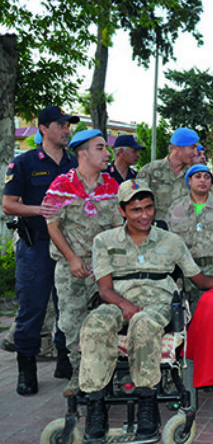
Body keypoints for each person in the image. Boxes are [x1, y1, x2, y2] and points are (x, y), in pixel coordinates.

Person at [79, 179, 213, 443]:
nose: (145, 215)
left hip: (158, 303)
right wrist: (124, 304)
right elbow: (104, 289)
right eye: (136, 209)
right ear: (122, 211)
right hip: (117, 301)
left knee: (144, 324)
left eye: (149, 208)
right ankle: (95, 407)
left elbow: (200, 280)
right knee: (94, 324)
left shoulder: (171, 241)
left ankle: (147, 403)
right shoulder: (105, 241)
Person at [3, 105, 79, 395]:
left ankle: (64, 361)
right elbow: (9, 204)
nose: (66, 129)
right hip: (36, 246)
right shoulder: (23, 163)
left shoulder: (73, 163)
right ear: (44, 129)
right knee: (32, 308)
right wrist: (40, 210)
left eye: (68, 125)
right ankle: (26, 369)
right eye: (60, 125)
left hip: (68, 248)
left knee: (68, 306)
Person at [45, 129, 122, 395]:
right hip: (71, 268)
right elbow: (52, 226)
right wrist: (72, 257)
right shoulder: (61, 185)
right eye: (100, 148)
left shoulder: (112, 186)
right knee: (72, 321)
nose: (107, 153)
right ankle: (79, 375)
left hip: (103, 268)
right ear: (83, 153)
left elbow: (117, 226)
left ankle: (105, 373)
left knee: (106, 319)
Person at [165, 164, 213, 311]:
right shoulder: (176, 208)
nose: (203, 180)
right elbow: (168, 243)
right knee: (186, 316)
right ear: (189, 181)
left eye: (207, 177)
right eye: (198, 176)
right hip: (184, 272)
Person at [137, 127, 199, 221]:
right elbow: (137, 205)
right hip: (156, 232)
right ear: (177, 147)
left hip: (184, 232)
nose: (195, 153)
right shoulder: (150, 171)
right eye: (192, 148)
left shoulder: (194, 175)